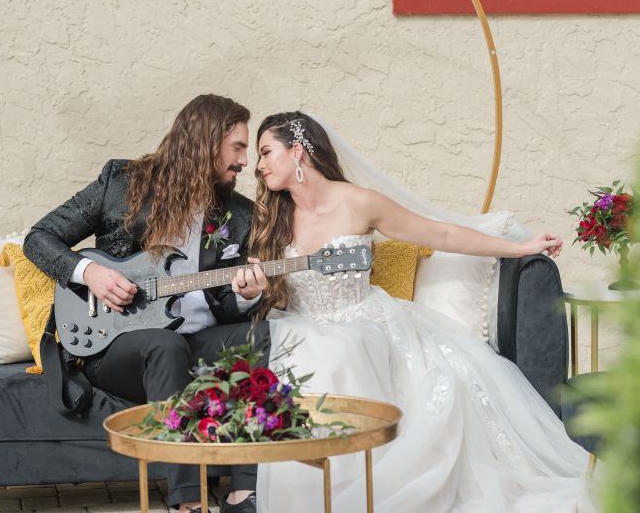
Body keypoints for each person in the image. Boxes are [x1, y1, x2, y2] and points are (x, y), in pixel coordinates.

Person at [250, 112, 595, 513]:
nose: (259, 165)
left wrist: (518, 248)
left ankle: (354, 493)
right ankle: (307, 498)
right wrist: (254, 288)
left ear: (297, 151)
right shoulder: (272, 217)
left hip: (363, 322)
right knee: (303, 351)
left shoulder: (359, 202)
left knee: (340, 351)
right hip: (301, 326)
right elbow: (268, 292)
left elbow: (442, 233)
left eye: (265, 152)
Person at [24, 94, 269, 513]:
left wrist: (248, 296)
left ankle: (244, 492)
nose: (245, 161)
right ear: (208, 142)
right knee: (164, 346)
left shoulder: (239, 214)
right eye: (238, 147)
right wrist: (90, 273)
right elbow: (39, 239)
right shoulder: (121, 182)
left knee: (262, 334)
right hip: (114, 344)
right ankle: (188, 501)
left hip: (197, 341)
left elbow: (226, 304)